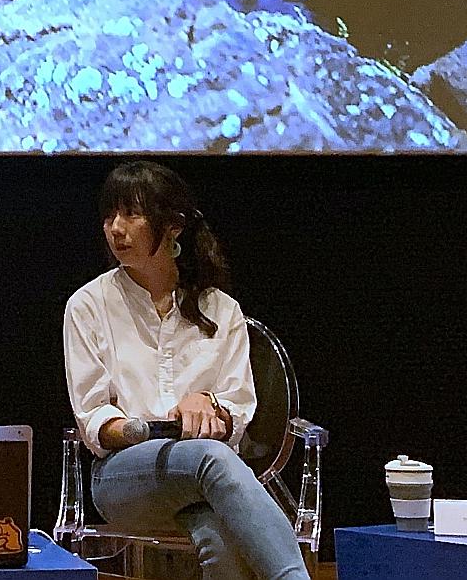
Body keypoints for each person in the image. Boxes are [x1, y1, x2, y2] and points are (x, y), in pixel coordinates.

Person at [62, 162, 308, 580]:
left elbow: (239, 408)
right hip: (124, 478)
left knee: (220, 540)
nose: (116, 228)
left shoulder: (221, 309)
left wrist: (209, 405)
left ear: (173, 226)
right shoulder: (87, 306)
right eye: (109, 215)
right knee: (211, 457)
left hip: (208, 481)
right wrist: (151, 429)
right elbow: (94, 419)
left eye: (132, 214)